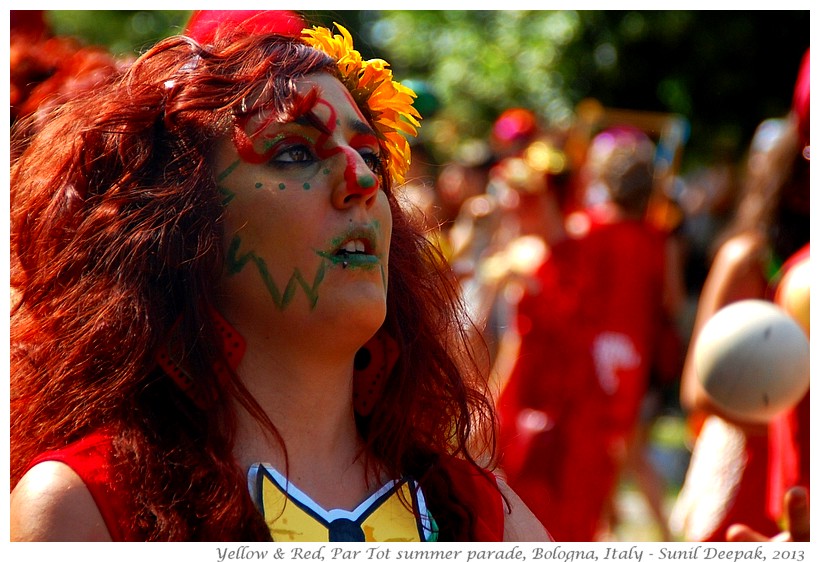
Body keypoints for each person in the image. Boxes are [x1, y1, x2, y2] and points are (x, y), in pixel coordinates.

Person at [10, 11, 549, 542]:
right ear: (175, 224)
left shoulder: (484, 518)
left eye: (370, 154)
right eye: (293, 151)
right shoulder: (88, 511)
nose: (362, 178)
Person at [671, 49, 810, 543]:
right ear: (790, 182)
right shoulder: (749, 259)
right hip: (749, 472)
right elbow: (696, 391)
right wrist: (789, 422)